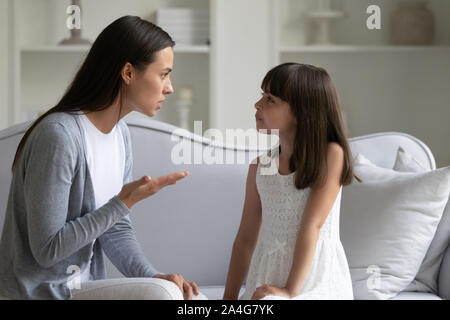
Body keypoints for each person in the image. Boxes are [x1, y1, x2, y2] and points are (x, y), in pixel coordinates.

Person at [0, 15, 206, 300]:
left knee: (189, 299)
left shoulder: (120, 134)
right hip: (41, 293)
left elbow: (115, 230)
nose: (169, 87)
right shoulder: (59, 135)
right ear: (129, 73)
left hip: (80, 289)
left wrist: (153, 276)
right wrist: (123, 202)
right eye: (163, 74)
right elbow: (47, 250)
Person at [223, 63, 360, 300]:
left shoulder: (331, 155)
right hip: (265, 281)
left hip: (314, 282)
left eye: (270, 99)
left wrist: (290, 291)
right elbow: (245, 238)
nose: (257, 105)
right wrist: (229, 299)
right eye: (261, 96)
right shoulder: (260, 166)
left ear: (301, 111)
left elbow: (312, 225)